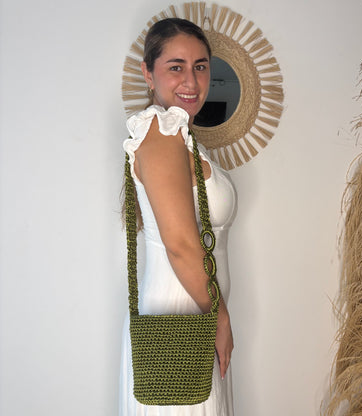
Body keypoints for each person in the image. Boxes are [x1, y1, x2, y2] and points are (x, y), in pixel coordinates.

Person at [119, 18, 236, 416]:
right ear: (148, 73)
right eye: (176, 66)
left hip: (194, 318)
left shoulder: (180, 135)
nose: (191, 80)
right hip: (179, 324)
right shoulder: (161, 130)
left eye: (200, 66)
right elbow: (182, 245)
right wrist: (220, 318)